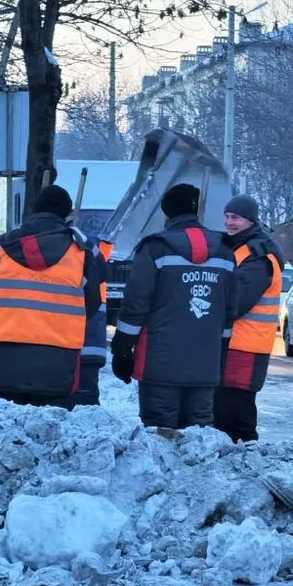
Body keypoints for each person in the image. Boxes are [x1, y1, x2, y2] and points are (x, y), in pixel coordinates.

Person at [110, 184, 237, 430]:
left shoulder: (155, 248)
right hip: (205, 364)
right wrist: (219, 355)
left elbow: (135, 306)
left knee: (159, 433)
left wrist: (122, 350)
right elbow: (229, 313)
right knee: (199, 438)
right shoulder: (224, 252)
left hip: (159, 364)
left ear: (166, 213)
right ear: (196, 211)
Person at [0, 185, 102, 408]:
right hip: (58, 363)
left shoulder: (1, 247)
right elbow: (92, 303)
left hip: (2, 359)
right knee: (51, 431)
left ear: (34, 209)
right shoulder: (81, 253)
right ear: (66, 214)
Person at [215, 194, 285, 443]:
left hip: (246, 347)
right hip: (234, 344)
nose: (229, 222)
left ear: (250, 221)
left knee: (237, 415)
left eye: (235, 218)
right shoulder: (239, 248)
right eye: (226, 216)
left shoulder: (258, 256)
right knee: (223, 411)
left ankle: (248, 464)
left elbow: (238, 300)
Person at [69, 234, 110, 408]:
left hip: (51, 347)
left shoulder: (14, 244)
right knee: (86, 407)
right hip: (90, 341)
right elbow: (103, 271)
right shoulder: (84, 242)